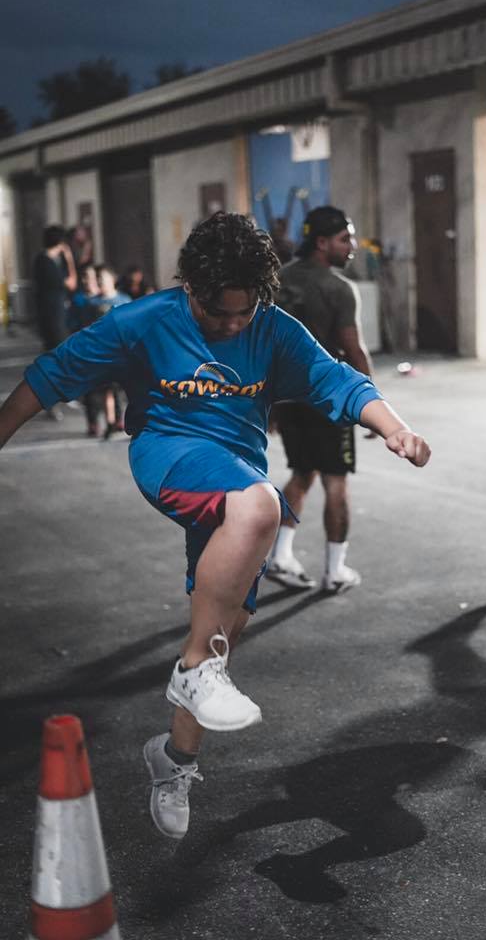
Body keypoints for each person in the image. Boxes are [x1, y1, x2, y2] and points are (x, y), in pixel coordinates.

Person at [0, 211, 430, 840]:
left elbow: (335, 378)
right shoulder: (142, 321)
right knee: (262, 507)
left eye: (242, 312)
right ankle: (193, 671)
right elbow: (47, 379)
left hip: (236, 474)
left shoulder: (273, 327)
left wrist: (396, 427)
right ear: (191, 289)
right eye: (216, 313)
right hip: (169, 451)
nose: (231, 324)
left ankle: (175, 758)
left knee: (224, 633)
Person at [267, 206, 374, 594]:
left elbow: (264, 342)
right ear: (322, 242)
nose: (352, 246)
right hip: (327, 399)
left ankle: (280, 556)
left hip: (287, 397)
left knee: (302, 473)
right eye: (346, 239)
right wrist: (370, 404)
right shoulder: (338, 288)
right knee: (335, 483)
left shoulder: (277, 280)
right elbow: (354, 350)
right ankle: (335, 571)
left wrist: (269, 403)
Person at [82, 264, 131, 438]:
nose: (100, 281)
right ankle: (109, 422)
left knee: (122, 389)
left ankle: (121, 419)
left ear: (113, 279)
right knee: (106, 389)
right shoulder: (92, 303)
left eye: (102, 277)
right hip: (101, 353)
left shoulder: (124, 300)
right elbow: (86, 329)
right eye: (98, 278)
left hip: (122, 351)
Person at [33, 225, 77, 352]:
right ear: (61, 243)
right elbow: (72, 284)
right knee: (60, 344)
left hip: (45, 310)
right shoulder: (50, 263)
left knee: (51, 345)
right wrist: (69, 259)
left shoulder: (40, 259)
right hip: (56, 310)